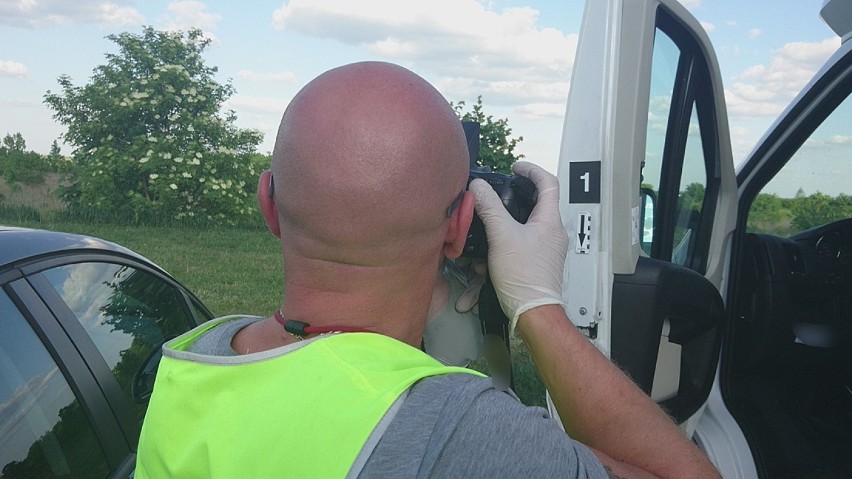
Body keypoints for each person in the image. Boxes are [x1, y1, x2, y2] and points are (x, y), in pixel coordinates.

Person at [136, 61, 719, 478]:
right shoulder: (459, 431)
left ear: (269, 205)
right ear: (460, 226)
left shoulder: (193, 360)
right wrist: (539, 308)